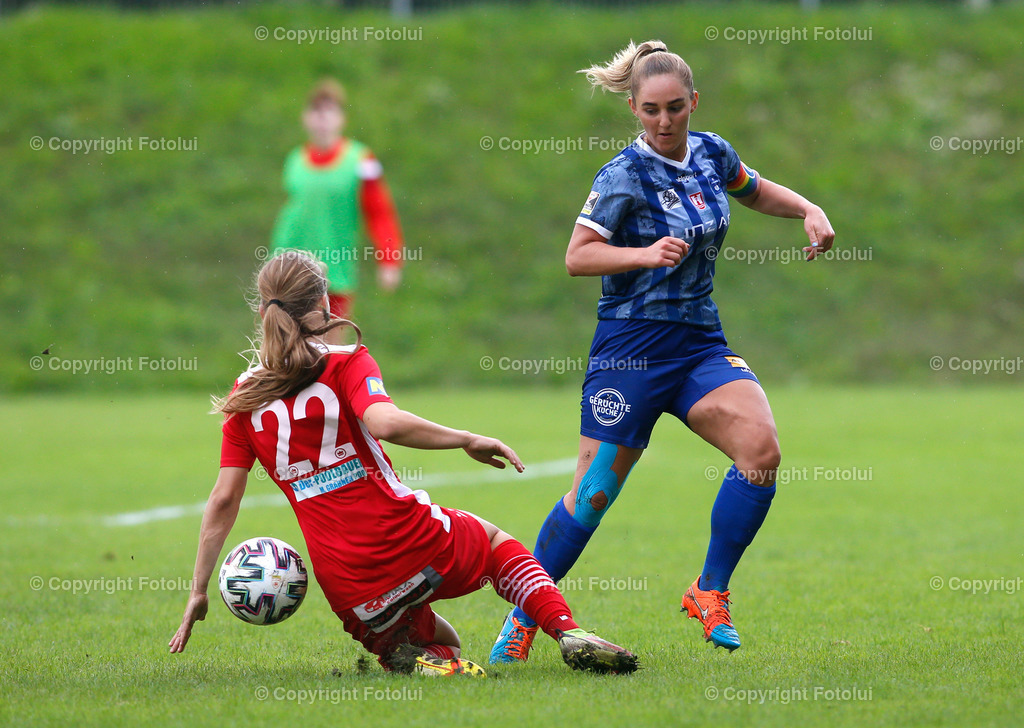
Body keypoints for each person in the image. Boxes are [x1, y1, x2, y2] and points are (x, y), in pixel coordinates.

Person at [490, 40, 835, 663]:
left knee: (760, 453)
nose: (665, 120)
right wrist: (644, 254)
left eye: (676, 107)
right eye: (651, 110)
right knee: (592, 496)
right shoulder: (621, 176)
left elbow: (753, 190)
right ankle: (525, 618)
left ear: (693, 102)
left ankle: (709, 590)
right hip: (631, 350)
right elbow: (578, 255)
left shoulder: (711, 152)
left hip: (700, 344)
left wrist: (807, 208)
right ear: (634, 107)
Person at [168, 251, 638, 678]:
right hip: (406, 536)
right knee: (496, 545)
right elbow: (386, 423)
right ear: (325, 304)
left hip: (347, 585)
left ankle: (430, 664)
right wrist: (466, 438)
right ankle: (566, 630)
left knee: (443, 644)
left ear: (262, 311)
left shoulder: (245, 396)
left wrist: (199, 591)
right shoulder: (345, 361)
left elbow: (225, 497)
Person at [270, 78, 404, 327]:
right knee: (288, 347)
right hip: (291, 267)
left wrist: (389, 259)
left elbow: (379, 212)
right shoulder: (295, 160)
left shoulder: (361, 160)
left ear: (342, 118)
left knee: (328, 349)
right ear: (305, 118)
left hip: (334, 269)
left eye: (329, 111)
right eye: (316, 111)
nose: (322, 118)